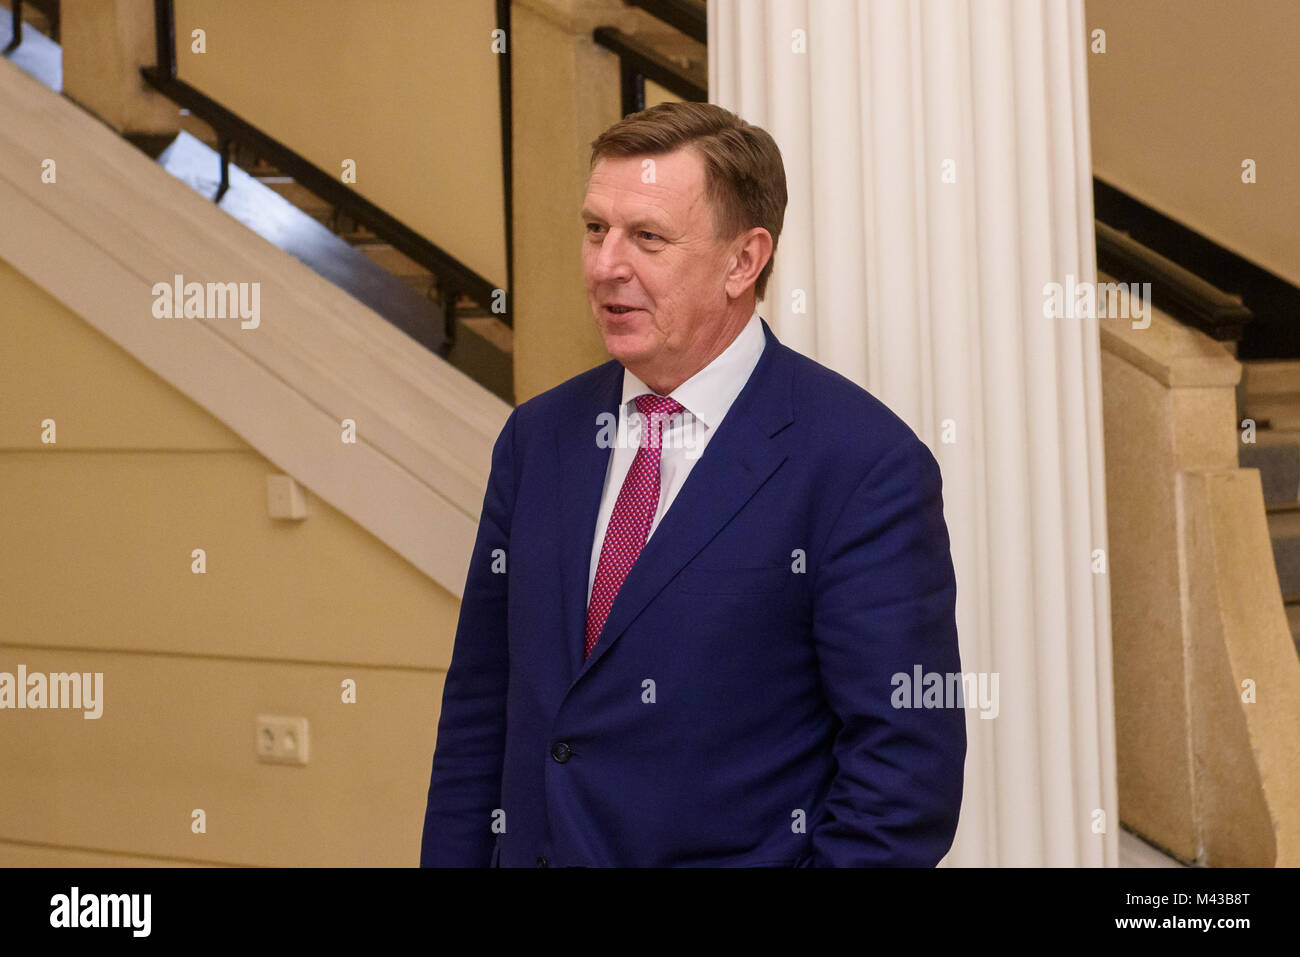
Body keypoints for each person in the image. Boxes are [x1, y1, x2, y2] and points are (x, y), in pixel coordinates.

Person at [420, 101, 965, 867]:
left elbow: (904, 776)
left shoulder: (860, 464)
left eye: (647, 237)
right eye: (594, 229)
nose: (606, 264)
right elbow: (481, 709)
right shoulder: (538, 439)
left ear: (744, 261)